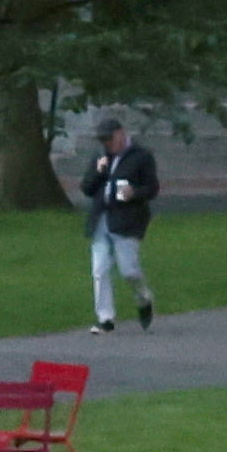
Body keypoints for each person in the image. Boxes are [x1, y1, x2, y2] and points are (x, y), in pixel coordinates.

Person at [77, 115, 161, 330]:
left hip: (127, 220)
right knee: (100, 269)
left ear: (121, 133)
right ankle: (105, 317)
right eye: (103, 141)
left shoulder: (141, 156)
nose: (107, 144)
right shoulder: (100, 157)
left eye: (110, 139)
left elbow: (152, 188)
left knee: (128, 270)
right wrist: (99, 171)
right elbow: (87, 188)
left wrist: (135, 192)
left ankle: (143, 298)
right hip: (101, 219)